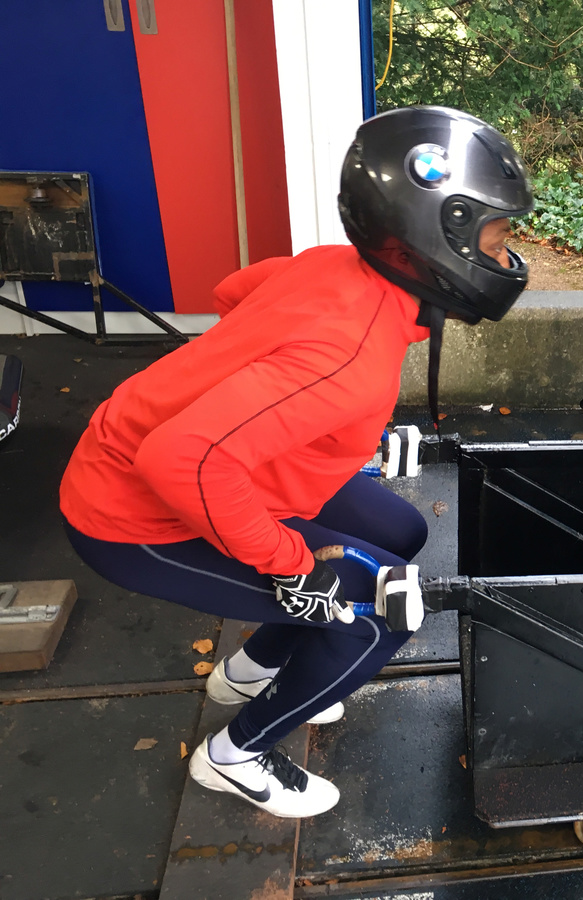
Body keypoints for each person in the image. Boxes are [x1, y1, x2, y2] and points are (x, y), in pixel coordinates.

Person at [58, 106, 534, 817]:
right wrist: (290, 565)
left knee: (401, 533)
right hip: (134, 517)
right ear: (439, 239)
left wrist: (276, 418)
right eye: (496, 240)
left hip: (201, 466)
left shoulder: (334, 266)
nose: (503, 259)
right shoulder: (350, 358)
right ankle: (236, 755)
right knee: (383, 612)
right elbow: (182, 460)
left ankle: (252, 670)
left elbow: (234, 295)